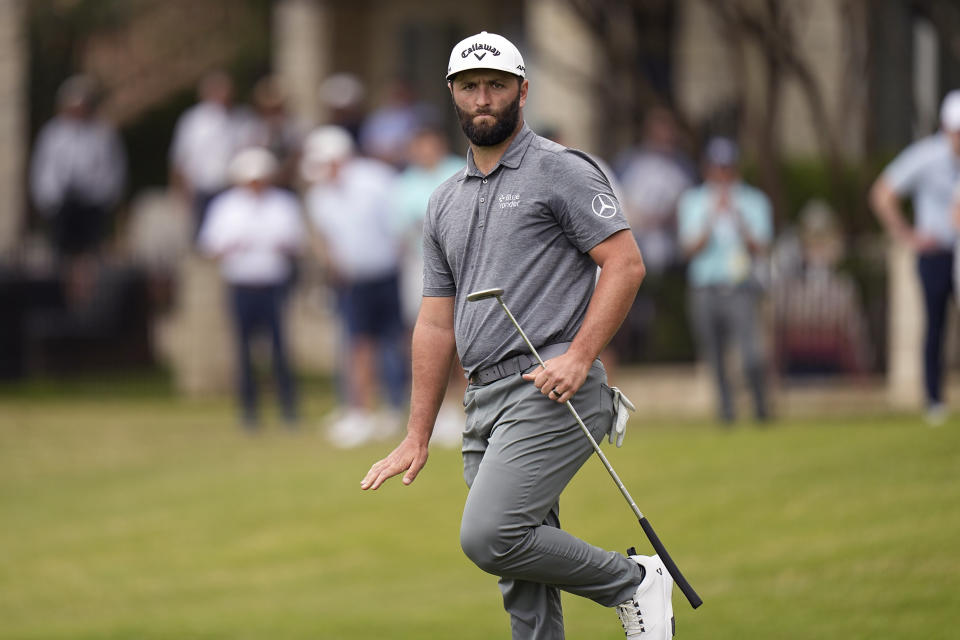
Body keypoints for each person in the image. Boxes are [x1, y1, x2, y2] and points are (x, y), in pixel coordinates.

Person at [361, 32, 671, 640]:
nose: (483, 98)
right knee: (523, 582)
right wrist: (417, 433)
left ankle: (632, 582)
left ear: (522, 91)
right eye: (470, 86)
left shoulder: (561, 168)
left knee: (490, 535)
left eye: (496, 85)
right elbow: (433, 322)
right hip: (483, 399)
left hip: (551, 387)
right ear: (452, 94)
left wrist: (580, 357)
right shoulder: (443, 200)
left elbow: (626, 263)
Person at [301, 125, 407, 448]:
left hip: (389, 274)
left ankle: (394, 408)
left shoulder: (377, 179)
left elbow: (399, 225)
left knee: (397, 342)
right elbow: (322, 237)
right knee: (358, 345)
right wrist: (332, 266)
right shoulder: (318, 194)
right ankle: (361, 411)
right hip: (352, 281)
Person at [197, 147, 304, 429]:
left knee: (279, 348)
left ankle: (288, 408)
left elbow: (296, 242)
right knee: (243, 349)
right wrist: (231, 246)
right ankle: (249, 411)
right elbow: (209, 246)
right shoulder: (225, 206)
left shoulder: (283, 203)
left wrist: (281, 245)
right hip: (241, 284)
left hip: (273, 283)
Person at [870, 90, 960, 426]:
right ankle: (934, 399)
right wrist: (908, 236)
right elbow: (882, 193)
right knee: (935, 326)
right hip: (936, 252)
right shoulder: (925, 157)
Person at [678, 137, 772, 424]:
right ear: (708, 169)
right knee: (714, 355)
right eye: (717, 168)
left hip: (740, 285)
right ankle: (727, 413)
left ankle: (761, 409)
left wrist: (737, 217)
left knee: (750, 353)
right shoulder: (693, 201)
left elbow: (761, 246)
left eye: (727, 168)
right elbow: (688, 249)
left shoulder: (753, 200)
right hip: (705, 286)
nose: (722, 175)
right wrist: (711, 217)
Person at [392, 125, 466, 447]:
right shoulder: (403, 184)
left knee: (463, 334)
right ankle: (434, 411)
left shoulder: (459, 172)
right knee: (425, 333)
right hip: (420, 266)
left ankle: (463, 404)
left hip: (461, 262)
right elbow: (400, 231)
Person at [30, 75, 126, 308]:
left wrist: (106, 196)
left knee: (91, 254)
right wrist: (47, 199)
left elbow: (113, 168)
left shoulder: (102, 133)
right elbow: (43, 169)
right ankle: (59, 299)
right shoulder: (53, 134)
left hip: (93, 202)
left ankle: (90, 299)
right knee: (60, 254)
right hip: (62, 203)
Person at [169, 71, 248, 237]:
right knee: (202, 233)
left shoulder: (242, 118)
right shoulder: (193, 120)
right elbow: (180, 158)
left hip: (231, 186)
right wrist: (179, 190)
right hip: (201, 186)